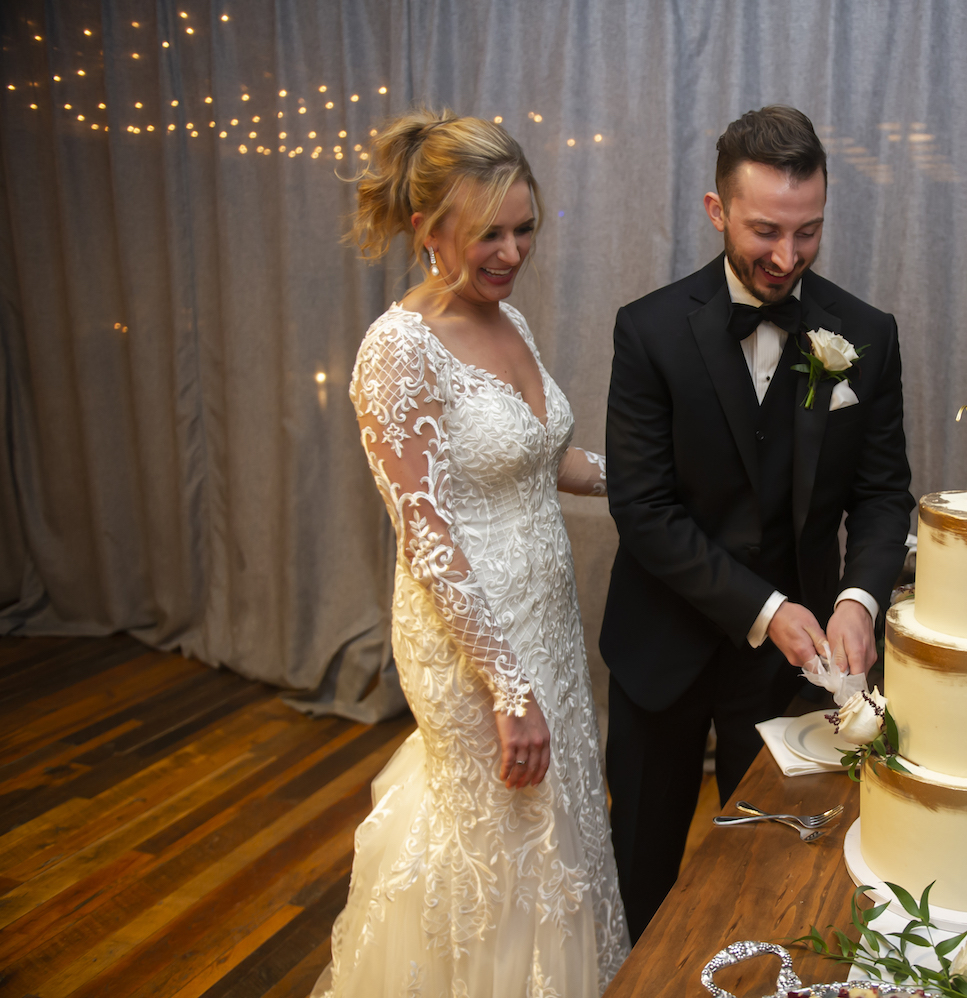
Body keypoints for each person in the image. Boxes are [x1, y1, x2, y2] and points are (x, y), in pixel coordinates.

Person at [312, 110, 628, 997]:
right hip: (471, 649)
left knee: (557, 826)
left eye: (524, 228)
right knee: (495, 839)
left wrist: (637, 482)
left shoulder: (508, 321)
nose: (512, 251)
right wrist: (510, 688)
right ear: (428, 232)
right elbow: (429, 535)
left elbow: (534, 451)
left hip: (547, 624)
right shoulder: (397, 351)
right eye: (488, 232)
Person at [601, 104, 915, 941]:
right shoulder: (649, 330)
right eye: (765, 231)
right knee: (645, 872)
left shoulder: (868, 336)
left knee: (778, 875)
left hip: (792, 673)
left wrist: (859, 600)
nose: (786, 257)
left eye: (808, 232)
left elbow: (884, 497)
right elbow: (643, 508)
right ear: (717, 212)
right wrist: (766, 609)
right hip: (660, 650)